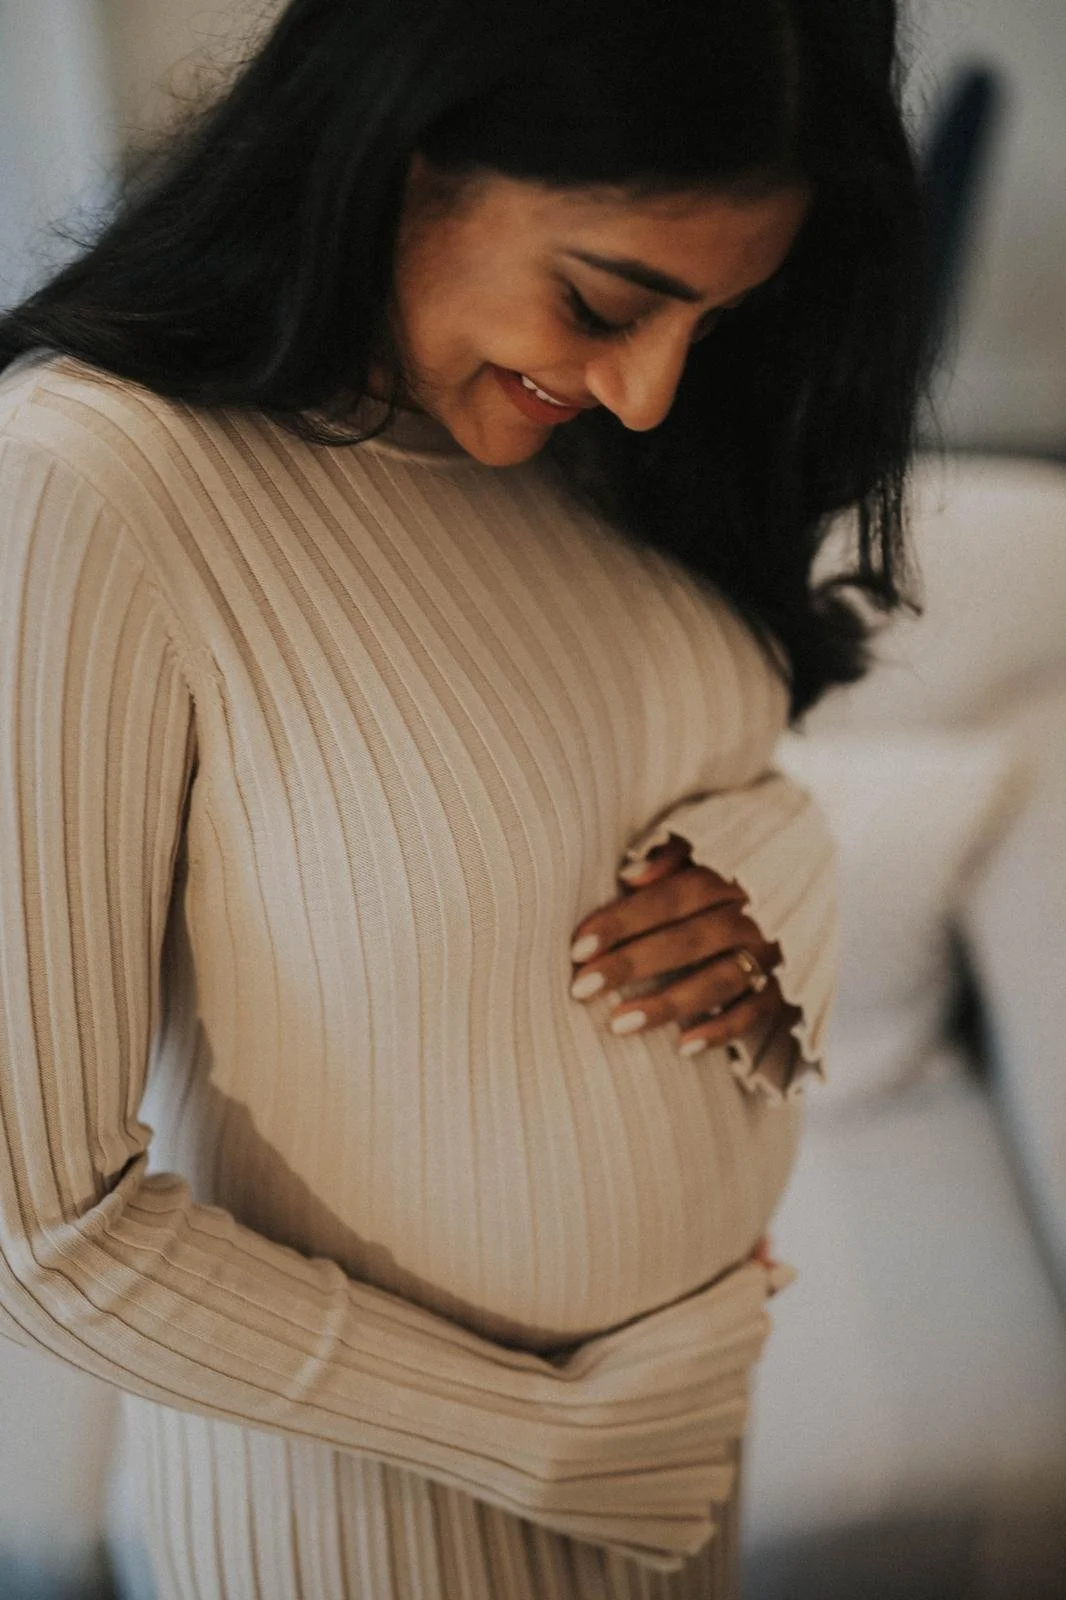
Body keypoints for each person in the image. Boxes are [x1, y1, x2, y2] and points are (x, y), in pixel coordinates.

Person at [0, 1, 928, 1596]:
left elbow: (713, 775)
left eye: (705, 325)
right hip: (367, 1524)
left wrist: (741, 884)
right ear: (401, 153)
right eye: (606, 299)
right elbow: (40, 1230)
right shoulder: (96, 484)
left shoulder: (590, 453)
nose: (646, 389)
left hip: (681, 1437)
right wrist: (540, 1434)